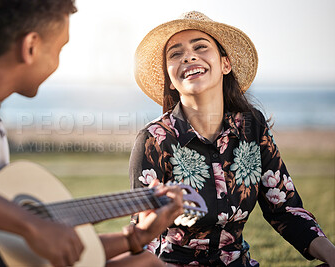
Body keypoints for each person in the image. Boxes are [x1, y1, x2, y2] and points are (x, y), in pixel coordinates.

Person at [0, 1, 184, 266]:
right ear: (30, 47)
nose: (57, 61)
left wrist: (136, 237)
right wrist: (31, 225)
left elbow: (1, 243)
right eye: (59, 49)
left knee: (144, 263)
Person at [129, 11, 335, 266]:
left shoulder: (252, 126)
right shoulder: (154, 140)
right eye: (175, 53)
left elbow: (285, 210)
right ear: (170, 80)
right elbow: (143, 237)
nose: (189, 56)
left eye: (200, 47)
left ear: (225, 64)